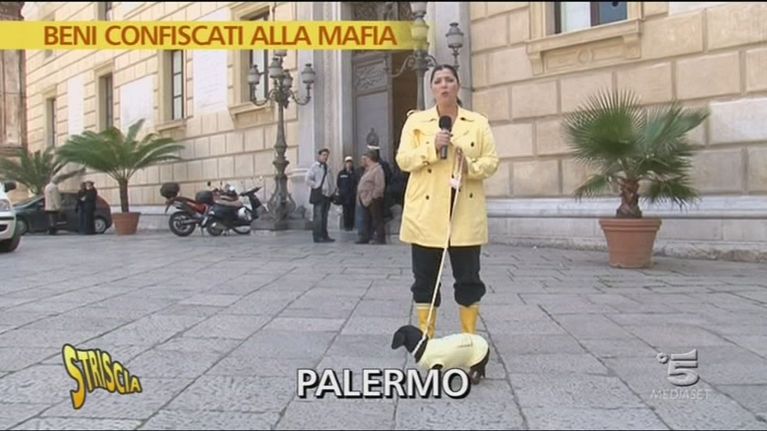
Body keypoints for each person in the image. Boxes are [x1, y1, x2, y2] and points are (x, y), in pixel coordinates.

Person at [395, 64, 499, 338]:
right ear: (432, 88)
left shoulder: (477, 122)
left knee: (468, 279)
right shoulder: (416, 122)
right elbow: (403, 160)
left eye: (449, 80)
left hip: (463, 211)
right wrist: (432, 147)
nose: (444, 85)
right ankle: (426, 336)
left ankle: (469, 337)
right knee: (425, 280)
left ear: (458, 86)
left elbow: (491, 161)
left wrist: (470, 167)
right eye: (438, 81)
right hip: (426, 213)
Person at [356, 150, 386, 244]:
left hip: (373, 199)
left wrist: (373, 196)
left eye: (366, 159)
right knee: (366, 219)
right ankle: (366, 236)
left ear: (370, 159)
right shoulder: (368, 169)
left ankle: (380, 237)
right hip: (364, 198)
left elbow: (379, 185)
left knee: (377, 219)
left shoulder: (377, 169)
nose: (364, 161)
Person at [306, 148, 335, 243]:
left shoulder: (328, 167)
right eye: (323, 155)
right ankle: (317, 236)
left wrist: (332, 191)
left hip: (327, 195)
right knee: (318, 216)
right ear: (319, 156)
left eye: (327, 155)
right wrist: (316, 186)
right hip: (319, 194)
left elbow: (330, 181)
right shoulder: (314, 167)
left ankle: (324, 235)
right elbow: (308, 179)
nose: (325, 157)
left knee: (324, 216)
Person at [337, 156, 358, 231]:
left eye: (350, 163)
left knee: (352, 211)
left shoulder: (354, 173)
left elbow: (356, 182)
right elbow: (338, 183)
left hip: (352, 195)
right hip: (344, 195)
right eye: (347, 163)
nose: (348, 164)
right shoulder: (341, 173)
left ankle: (351, 225)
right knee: (345, 211)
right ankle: (346, 226)